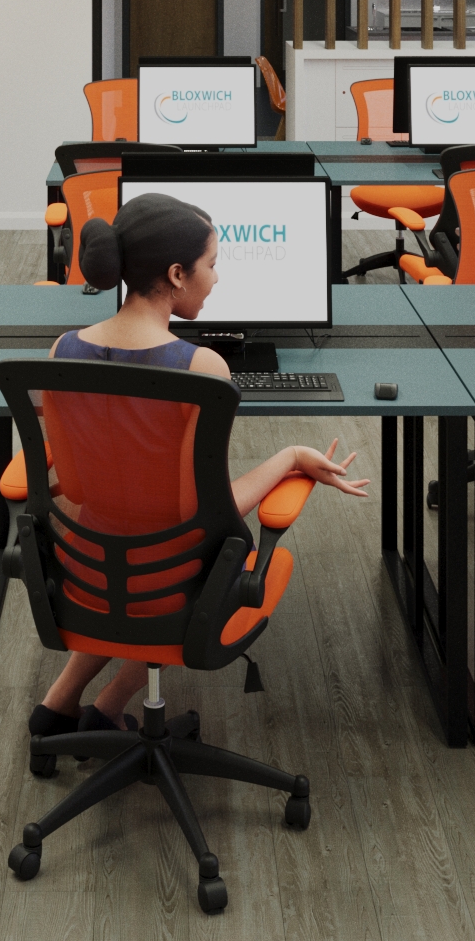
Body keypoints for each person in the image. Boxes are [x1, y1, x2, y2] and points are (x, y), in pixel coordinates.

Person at [26, 193, 371, 741]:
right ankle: (110, 704)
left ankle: (61, 706)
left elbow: (82, 477)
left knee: (133, 537)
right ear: (176, 274)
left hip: (84, 564)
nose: (217, 279)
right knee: (196, 562)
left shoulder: (62, 350)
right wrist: (289, 458)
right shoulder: (201, 368)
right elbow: (200, 512)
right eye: (212, 265)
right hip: (163, 581)